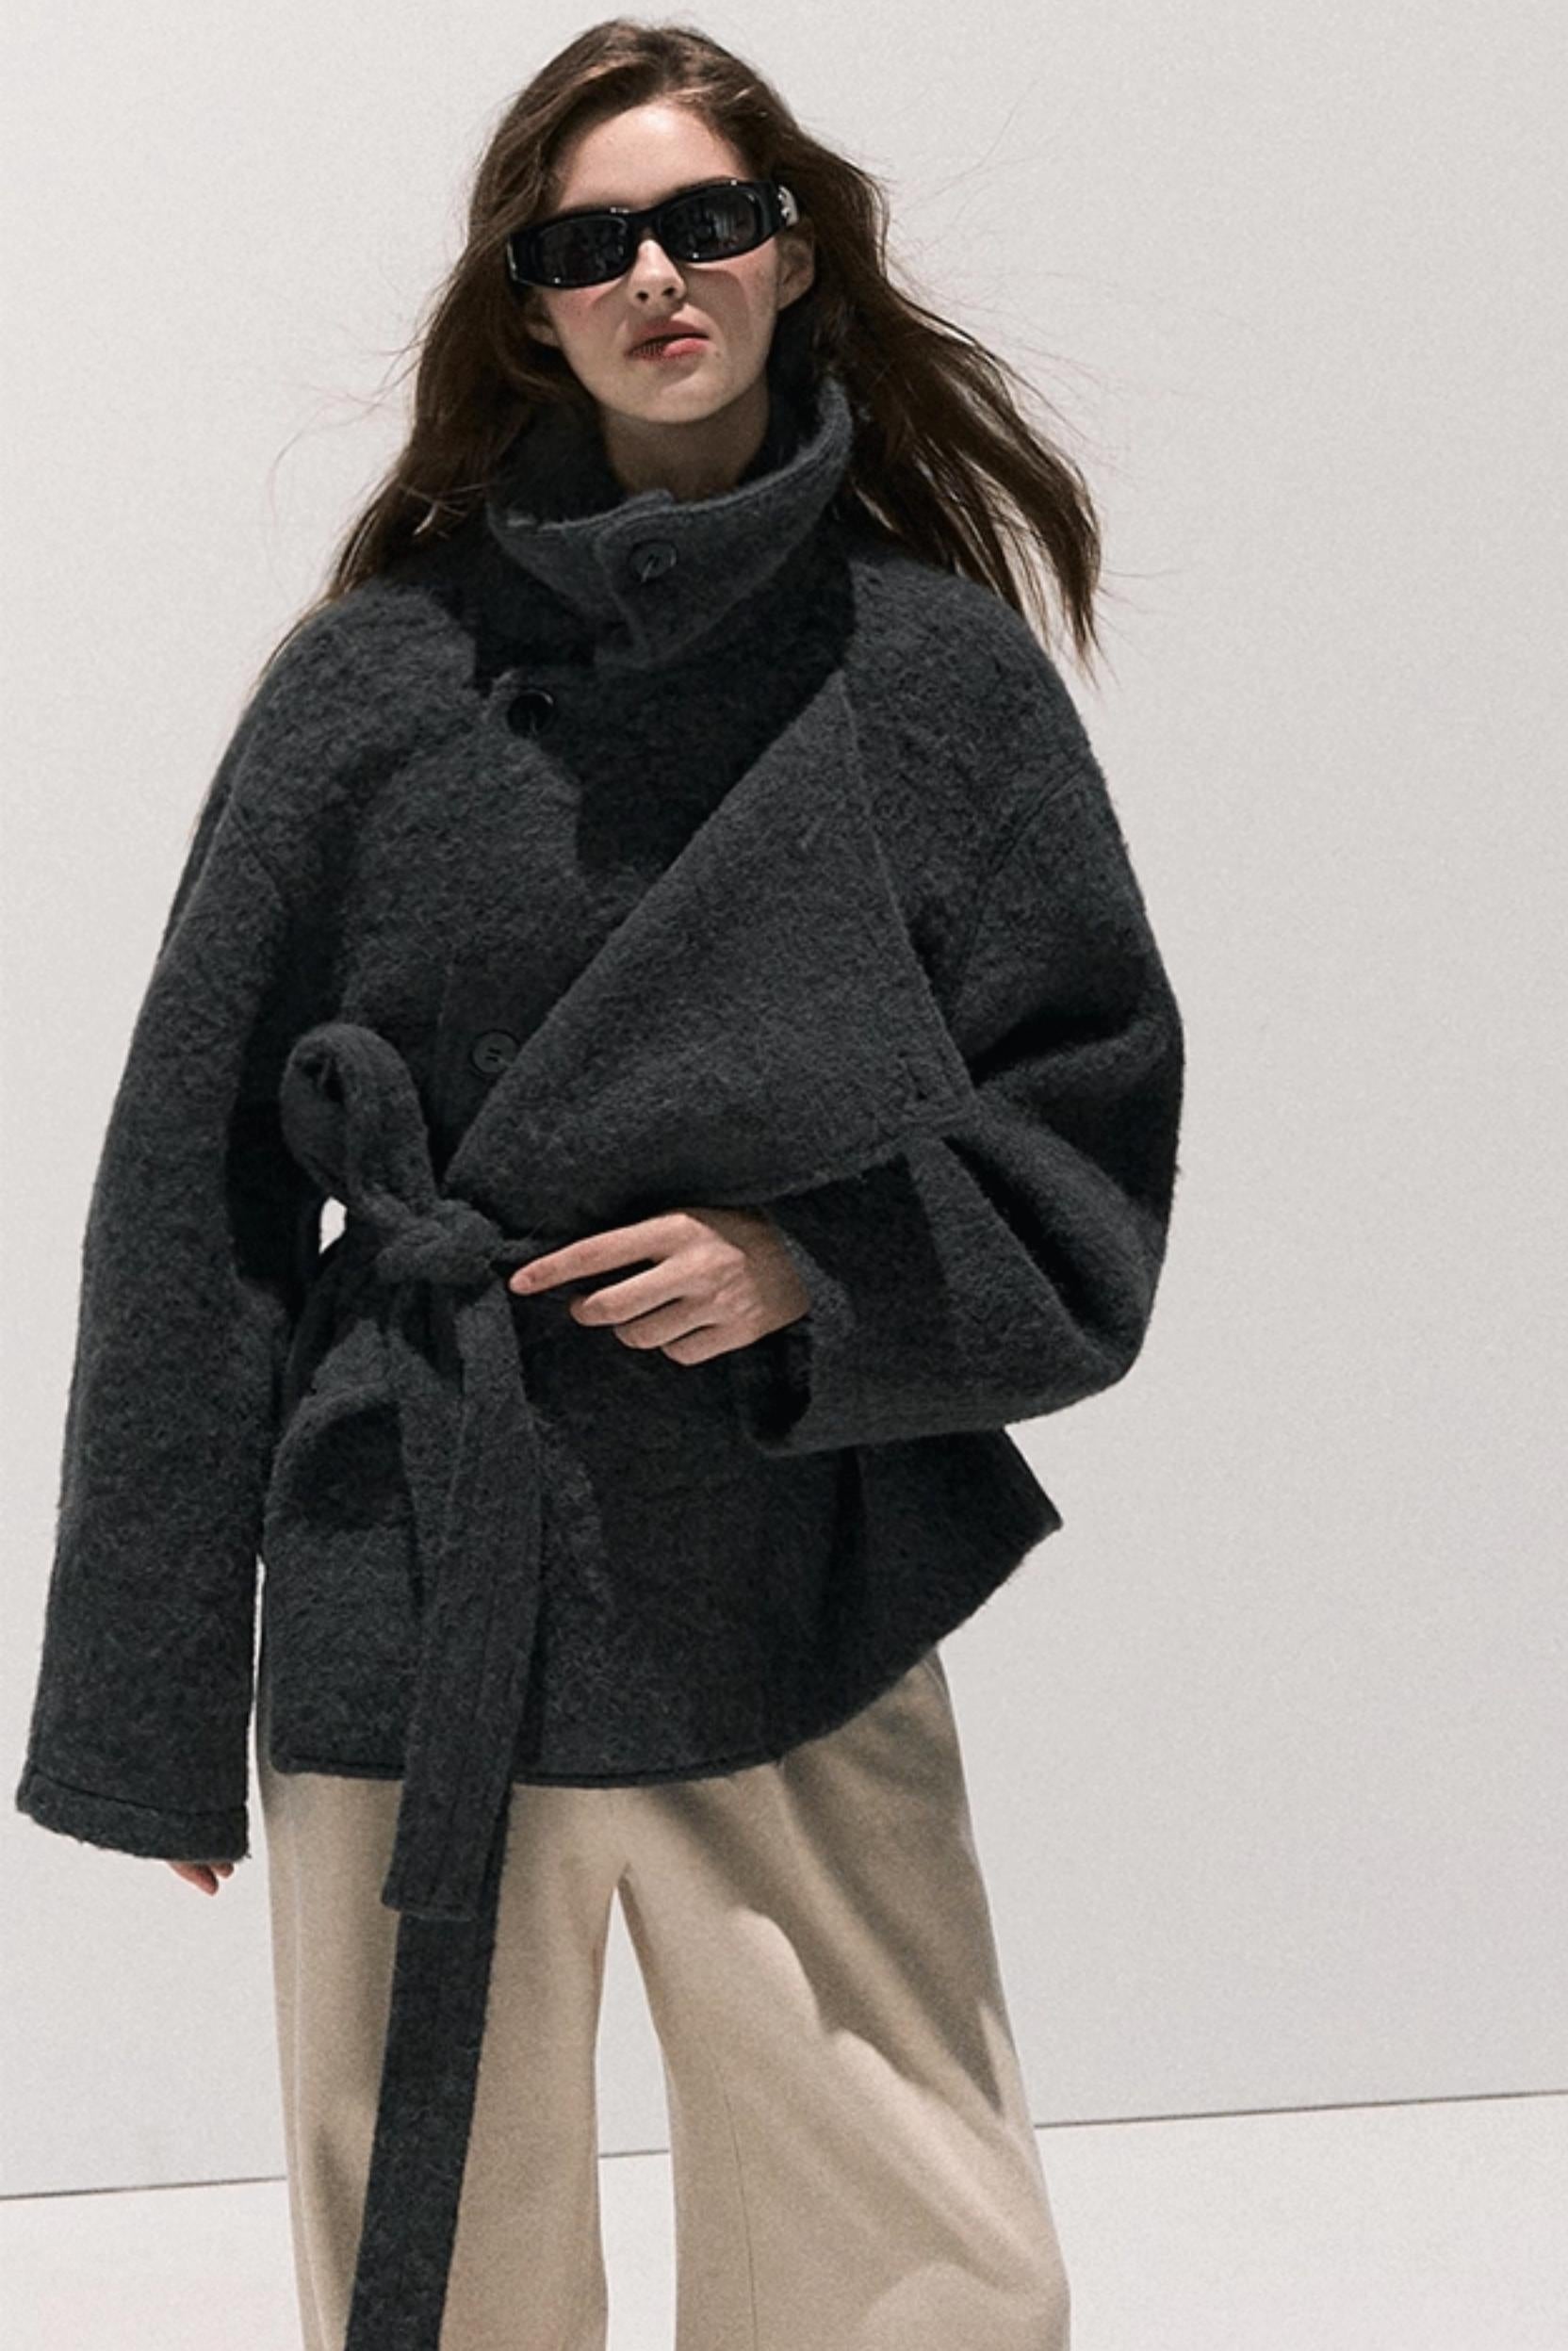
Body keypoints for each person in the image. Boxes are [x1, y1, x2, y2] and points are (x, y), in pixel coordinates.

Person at [13, 20, 1185, 2351]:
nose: (657, 273)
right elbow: (191, 1190)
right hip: (418, 1554)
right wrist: (148, 1690)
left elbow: (1086, 1117)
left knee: (933, 2270)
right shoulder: (371, 682)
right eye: (589, 243)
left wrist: (810, 1270)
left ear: (795, 256)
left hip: (790, 1565)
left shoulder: (933, 680)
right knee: (440, 2269)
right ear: (527, 306)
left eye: (709, 220)